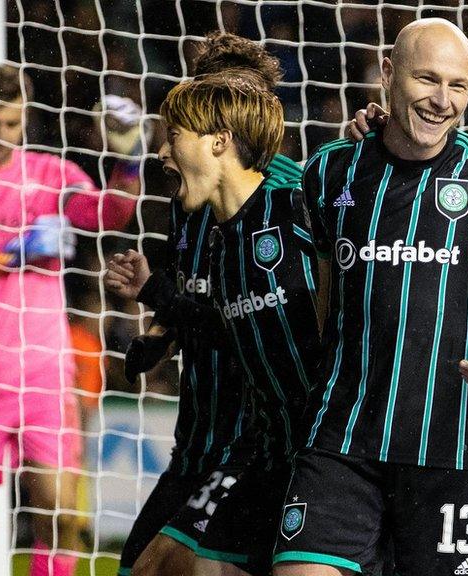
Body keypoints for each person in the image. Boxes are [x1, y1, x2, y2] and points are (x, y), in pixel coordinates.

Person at [271, 18, 468, 576]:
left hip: (446, 446)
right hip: (340, 440)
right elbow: (319, 298)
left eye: (458, 86)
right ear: (388, 74)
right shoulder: (329, 171)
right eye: (427, 80)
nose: (443, 101)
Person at [0, 64, 140, 576]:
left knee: (62, 516)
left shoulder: (51, 173)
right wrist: (12, 253)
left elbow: (107, 214)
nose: (0, 136)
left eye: (12, 125)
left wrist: (129, 162)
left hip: (42, 368)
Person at [106, 66, 316, 576]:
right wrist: (161, 325)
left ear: (220, 135)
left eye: (175, 134)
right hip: (239, 444)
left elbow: (315, 329)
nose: (161, 151)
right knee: (151, 568)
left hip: (306, 450)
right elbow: (225, 320)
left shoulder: (294, 205)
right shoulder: (215, 230)